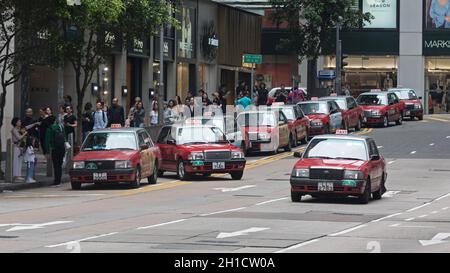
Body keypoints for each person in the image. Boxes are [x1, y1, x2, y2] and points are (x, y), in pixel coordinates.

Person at [46, 116, 66, 186]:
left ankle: (56, 181)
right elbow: (65, 138)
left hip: (54, 148)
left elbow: (47, 141)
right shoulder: (61, 127)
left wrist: (47, 151)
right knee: (59, 165)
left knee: (56, 165)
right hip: (62, 148)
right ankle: (59, 180)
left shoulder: (50, 129)